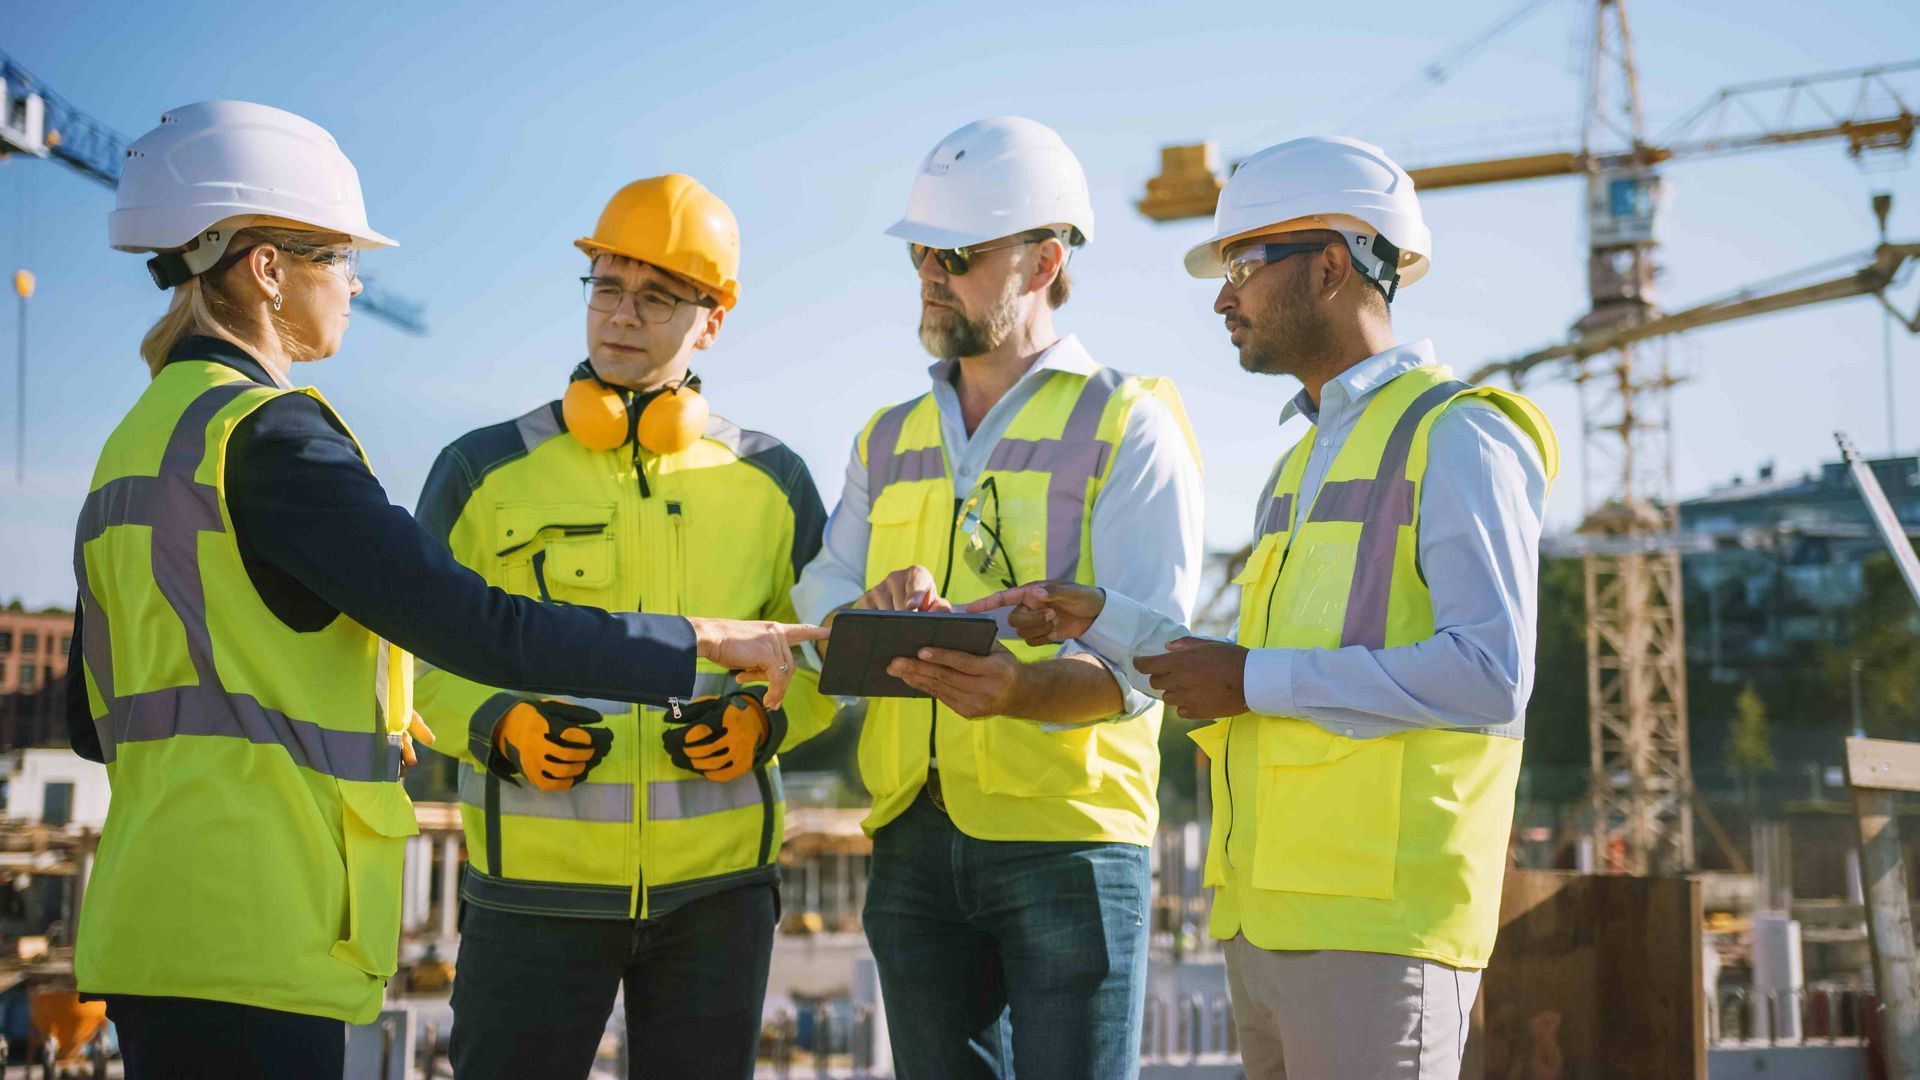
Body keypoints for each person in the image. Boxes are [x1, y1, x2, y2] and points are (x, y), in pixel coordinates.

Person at [64, 101, 819, 1080]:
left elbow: (97, 719)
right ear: (266, 269)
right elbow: (463, 623)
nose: (354, 282)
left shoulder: (146, 435)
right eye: (338, 258)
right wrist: (696, 644)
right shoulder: (274, 437)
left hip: (153, 913)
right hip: (254, 911)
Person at [967, 135, 1559, 1080]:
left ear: (1332, 265)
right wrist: (1101, 617)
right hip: (1271, 919)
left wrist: (1249, 679)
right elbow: (1242, 678)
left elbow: (1489, 677)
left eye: (1243, 264)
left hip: (1382, 923)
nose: (1222, 295)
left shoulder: (1460, 437)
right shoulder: (1299, 462)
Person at [791, 116, 1205, 1079]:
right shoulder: (885, 436)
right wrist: (872, 608)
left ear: (1043, 259)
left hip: (1068, 837)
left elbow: (1154, 658)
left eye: (960, 255)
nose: (933, 273)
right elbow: (825, 593)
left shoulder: (1126, 423)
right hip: (911, 830)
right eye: (924, 254)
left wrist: (1020, 692)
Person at [413, 174, 833, 1080]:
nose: (622, 315)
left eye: (657, 296)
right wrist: (495, 725)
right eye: (606, 286)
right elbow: (409, 654)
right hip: (533, 896)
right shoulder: (481, 472)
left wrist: (770, 721)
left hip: (718, 901)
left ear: (712, 319)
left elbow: (826, 656)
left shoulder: (772, 481)